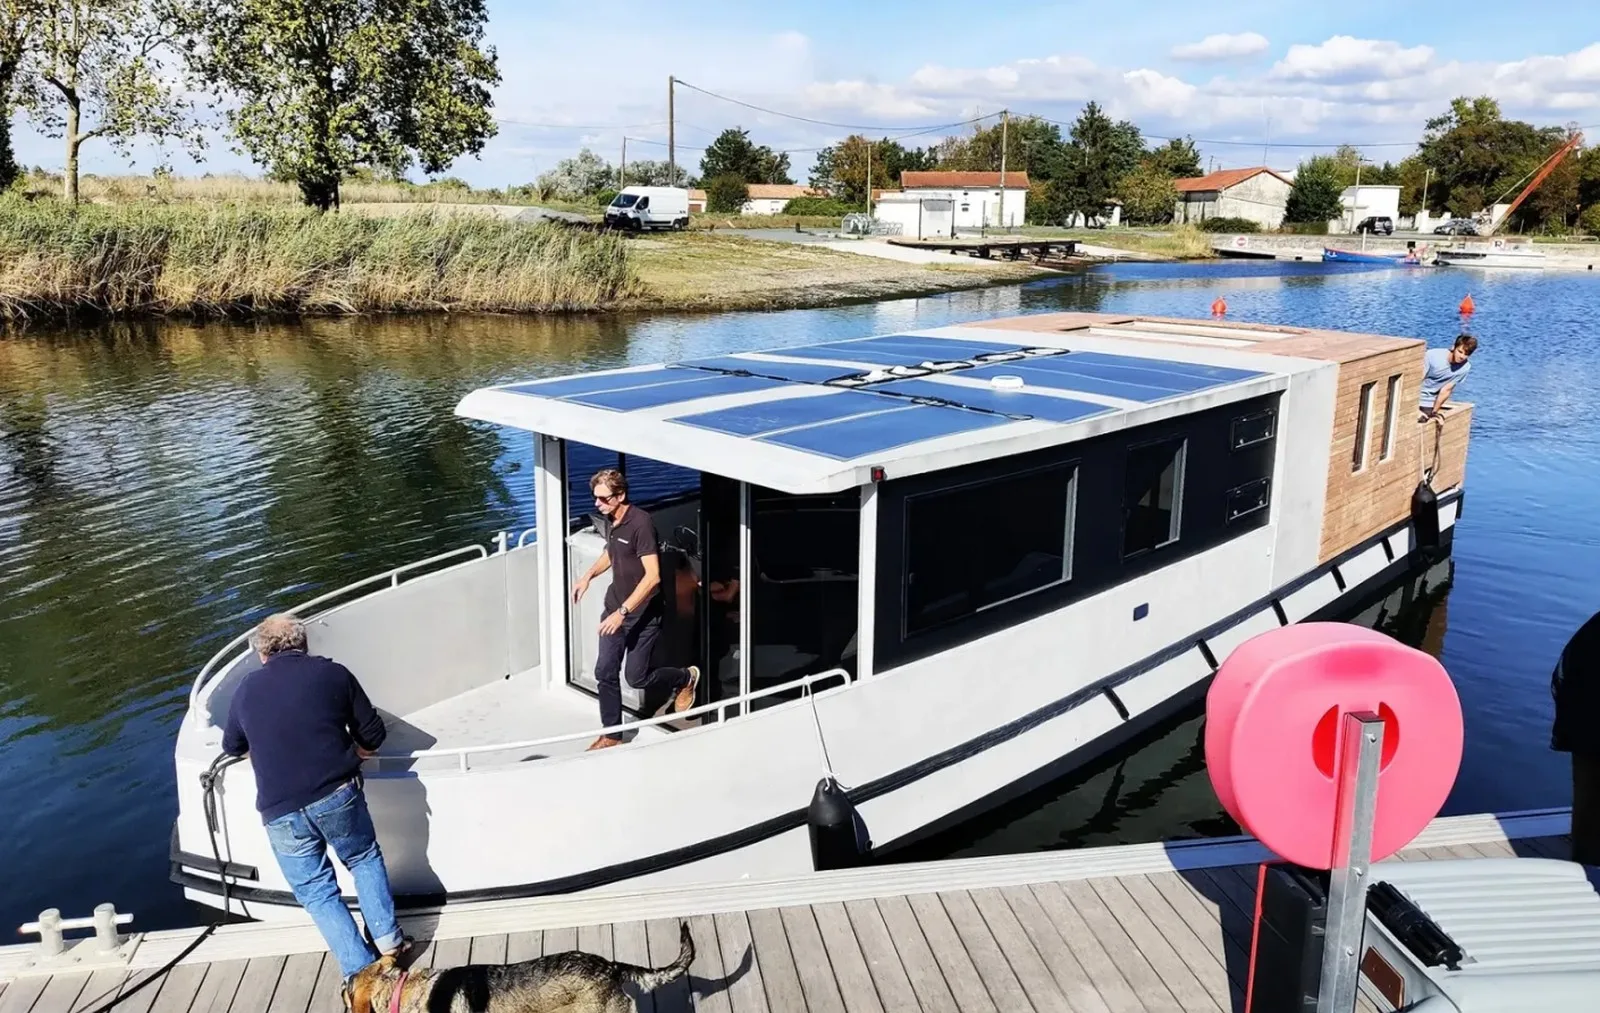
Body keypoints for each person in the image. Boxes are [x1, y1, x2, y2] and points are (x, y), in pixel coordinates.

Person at [222, 615, 411, 985]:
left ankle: (360, 972)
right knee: (363, 858)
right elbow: (372, 731)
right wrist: (359, 753)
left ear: (262, 653)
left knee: (317, 892)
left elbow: (232, 746)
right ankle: (390, 947)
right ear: (304, 645)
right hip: (336, 793)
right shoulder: (332, 674)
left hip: (279, 812)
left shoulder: (246, 689)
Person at [572, 469, 700, 750]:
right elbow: (611, 551)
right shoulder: (611, 519)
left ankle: (686, 677)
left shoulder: (641, 524)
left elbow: (652, 576)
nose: (597, 505)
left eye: (603, 499)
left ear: (621, 496)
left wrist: (624, 612)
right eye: (595, 498)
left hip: (641, 615)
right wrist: (587, 577)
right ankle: (612, 735)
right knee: (604, 672)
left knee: (636, 678)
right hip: (614, 609)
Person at [1552, 609, 1600, 865]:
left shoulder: (1592, 633)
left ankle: (1585, 860)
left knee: (1588, 805)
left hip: (1584, 723)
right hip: (1587, 721)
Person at [1419, 333, 1478, 421]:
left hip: (1428, 402)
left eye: (1466, 354)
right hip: (1415, 397)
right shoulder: (1433, 356)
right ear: (1453, 347)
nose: (1462, 356)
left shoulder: (1465, 367)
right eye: (1460, 352)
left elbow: (1446, 390)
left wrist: (1434, 413)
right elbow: (1416, 379)